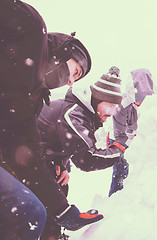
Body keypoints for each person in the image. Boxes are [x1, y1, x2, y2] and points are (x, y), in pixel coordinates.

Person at [0, 0, 101, 238]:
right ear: (62, 51)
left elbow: (26, 155)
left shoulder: (29, 101)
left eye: (77, 79)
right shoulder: (32, 30)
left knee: (31, 209)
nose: (70, 82)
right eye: (75, 71)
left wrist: (63, 210)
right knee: (27, 211)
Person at [37, 66, 126, 239]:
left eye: (115, 108)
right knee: (45, 197)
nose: (111, 113)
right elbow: (86, 159)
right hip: (21, 158)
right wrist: (118, 150)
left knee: (59, 185)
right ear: (98, 100)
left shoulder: (82, 112)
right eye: (109, 106)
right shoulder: (75, 114)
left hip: (39, 156)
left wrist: (60, 164)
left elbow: (60, 142)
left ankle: (51, 235)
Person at [108, 68, 155, 197]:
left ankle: (129, 196)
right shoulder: (122, 105)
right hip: (118, 140)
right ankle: (115, 198)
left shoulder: (146, 102)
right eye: (139, 97)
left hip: (133, 138)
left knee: (134, 171)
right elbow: (119, 134)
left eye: (144, 97)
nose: (141, 102)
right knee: (120, 171)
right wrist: (133, 142)